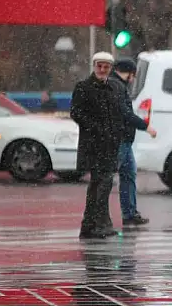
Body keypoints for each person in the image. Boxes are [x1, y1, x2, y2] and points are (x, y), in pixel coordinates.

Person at [70, 52, 124, 239]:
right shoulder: (84, 87)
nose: (102, 70)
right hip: (93, 146)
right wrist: (97, 129)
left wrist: (117, 133)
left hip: (109, 146)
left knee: (100, 185)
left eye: (106, 67)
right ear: (94, 66)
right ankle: (98, 224)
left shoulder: (114, 88)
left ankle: (91, 225)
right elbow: (76, 113)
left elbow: (119, 114)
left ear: (110, 68)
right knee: (101, 184)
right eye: (99, 66)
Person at [109, 58, 157, 226]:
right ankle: (124, 214)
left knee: (128, 174)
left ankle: (130, 214)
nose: (134, 79)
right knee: (112, 177)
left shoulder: (118, 85)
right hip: (119, 139)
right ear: (128, 73)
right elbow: (125, 113)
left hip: (124, 139)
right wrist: (146, 126)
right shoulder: (117, 87)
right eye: (133, 75)